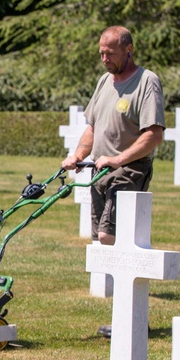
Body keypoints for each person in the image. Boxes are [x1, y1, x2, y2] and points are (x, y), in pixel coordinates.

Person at [61, 25, 165, 338]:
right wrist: (78, 155)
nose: (105, 58)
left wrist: (117, 159)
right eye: (101, 53)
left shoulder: (147, 81)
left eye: (111, 52)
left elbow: (153, 135)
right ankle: (127, 319)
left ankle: (133, 320)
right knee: (104, 244)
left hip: (129, 170)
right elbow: (92, 128)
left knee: (112, 238)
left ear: (129, 50)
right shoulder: (105, 81)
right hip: (100, 172)